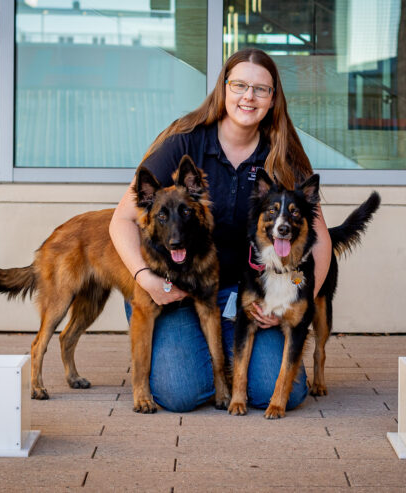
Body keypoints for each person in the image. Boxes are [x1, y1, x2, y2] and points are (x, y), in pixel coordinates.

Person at [109, 48, 331, 413]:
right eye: (239, 85)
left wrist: (293, 304)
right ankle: (190, 343)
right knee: (182, 394)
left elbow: (320, 241)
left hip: (250, 293)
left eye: (261, 89)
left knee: (277, 394)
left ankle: (226, 346)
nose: (249, 96)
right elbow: (121, 220)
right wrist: (146, 278)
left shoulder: (282, 156)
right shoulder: (185, 141)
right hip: (178, 288)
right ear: (222, 89)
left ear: (273, 99)